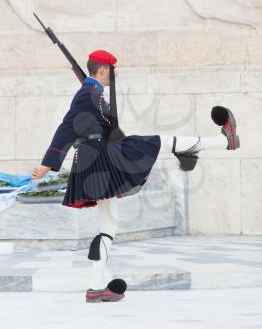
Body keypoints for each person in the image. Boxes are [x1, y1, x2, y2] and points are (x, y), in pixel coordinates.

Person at [31, 49, 240, 302]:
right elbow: (67, 126)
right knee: (157, 141)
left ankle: (96, 287)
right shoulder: (88, 92)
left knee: (108, 225)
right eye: (113, 70)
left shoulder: (91, 92)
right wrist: (48, 163)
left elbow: (99, 120)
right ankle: (223, 141)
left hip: (93, 158)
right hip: (100, 156)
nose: (115, 74)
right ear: (103, 70)